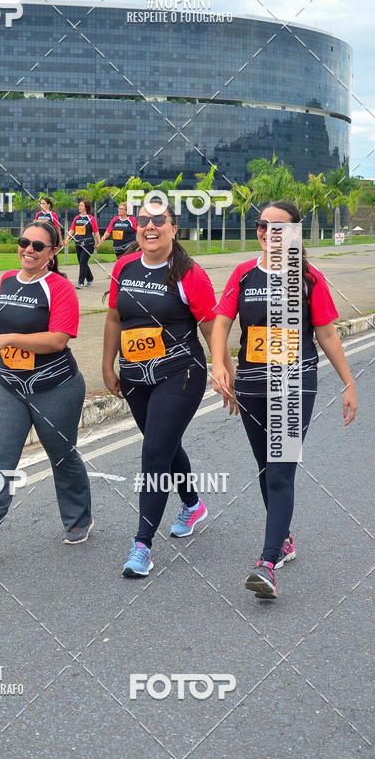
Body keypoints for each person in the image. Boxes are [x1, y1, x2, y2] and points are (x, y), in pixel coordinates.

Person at [210, 201, 357, 599]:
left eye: (279, 227)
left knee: (280, 471)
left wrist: (348, 382)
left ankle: (267, 562)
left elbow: (326, 334)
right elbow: (221, 322)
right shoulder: (243, 274)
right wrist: (220, 365)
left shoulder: (308, 278)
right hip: (253, 385)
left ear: (295, 232)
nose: (268, 232)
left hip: (295, 383)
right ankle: (284, 539)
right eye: (262, 225)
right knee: (265, 468)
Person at [102, 200, 237, 577]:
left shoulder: (188, 274)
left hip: (180, 374)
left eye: (159, 220)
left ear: (174, 228)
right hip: (134, 377)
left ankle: (142, 545)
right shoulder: (124, 266)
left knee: (154, 455)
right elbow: (115, 317)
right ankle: (192, 504)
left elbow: (212, 326)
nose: (150, 226)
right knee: (165, 444)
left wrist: (222, 366)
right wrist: (106, 365)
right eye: (143, 220)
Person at [0, 221, 93, 565]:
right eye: (24, 242)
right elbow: (7, 326)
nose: (28, 249)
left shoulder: (58, 288)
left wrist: (7, 341)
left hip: (56, 387)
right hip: (10, 386)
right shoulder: (8, 280)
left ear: (53, 253)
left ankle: (78, 518)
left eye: (38, 246)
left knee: (62, 456)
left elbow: (58, 339)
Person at [65, 199, 100, 289]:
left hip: (88, 244)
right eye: (79, 205)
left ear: (86, 207)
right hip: (78, 244)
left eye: (81, 205)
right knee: (82, 262)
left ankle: (80, 283)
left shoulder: (91, 219)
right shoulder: (76, 218)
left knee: (83, 262)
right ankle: (90, 278)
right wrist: (67, 238)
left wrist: (99, 242)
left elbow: (96, 232)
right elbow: (72, 229)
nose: (79, 207)